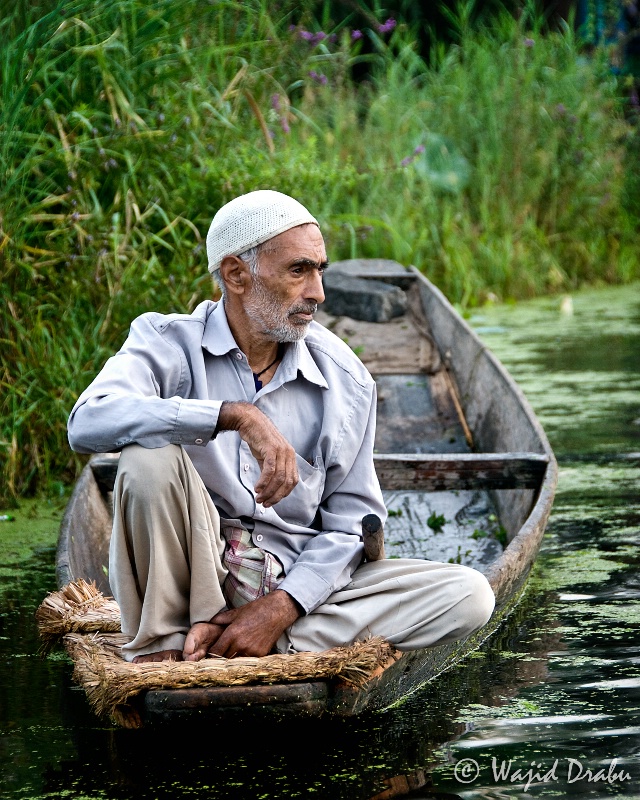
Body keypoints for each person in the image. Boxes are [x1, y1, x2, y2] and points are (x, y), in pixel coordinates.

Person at [67, 189, 495, 664]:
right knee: (147, 457)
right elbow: (88, 420)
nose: (318, 293)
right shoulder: (166, 343)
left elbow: (353, 522)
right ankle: (166, 644)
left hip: (293, 587)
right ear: (236, 274)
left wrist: (281, 607)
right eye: (298, 270)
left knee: (469, 594)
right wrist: (232, 415)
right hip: (192, 584)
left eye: (319, 269)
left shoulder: (346, 379)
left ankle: (251, 640)